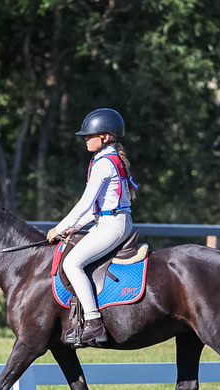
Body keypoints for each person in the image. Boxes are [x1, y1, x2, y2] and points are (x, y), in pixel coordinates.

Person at [47, 108, 137, 346]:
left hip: (112, 224)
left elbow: (85, 203)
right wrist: (74, 227)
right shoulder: (106, 159)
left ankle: (94, 323)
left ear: (105, 137)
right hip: (109, 221)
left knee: (72, 263)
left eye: (90, 135)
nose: (86, 138)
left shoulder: (103, 164)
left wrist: (60, 227)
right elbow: (97, 207)